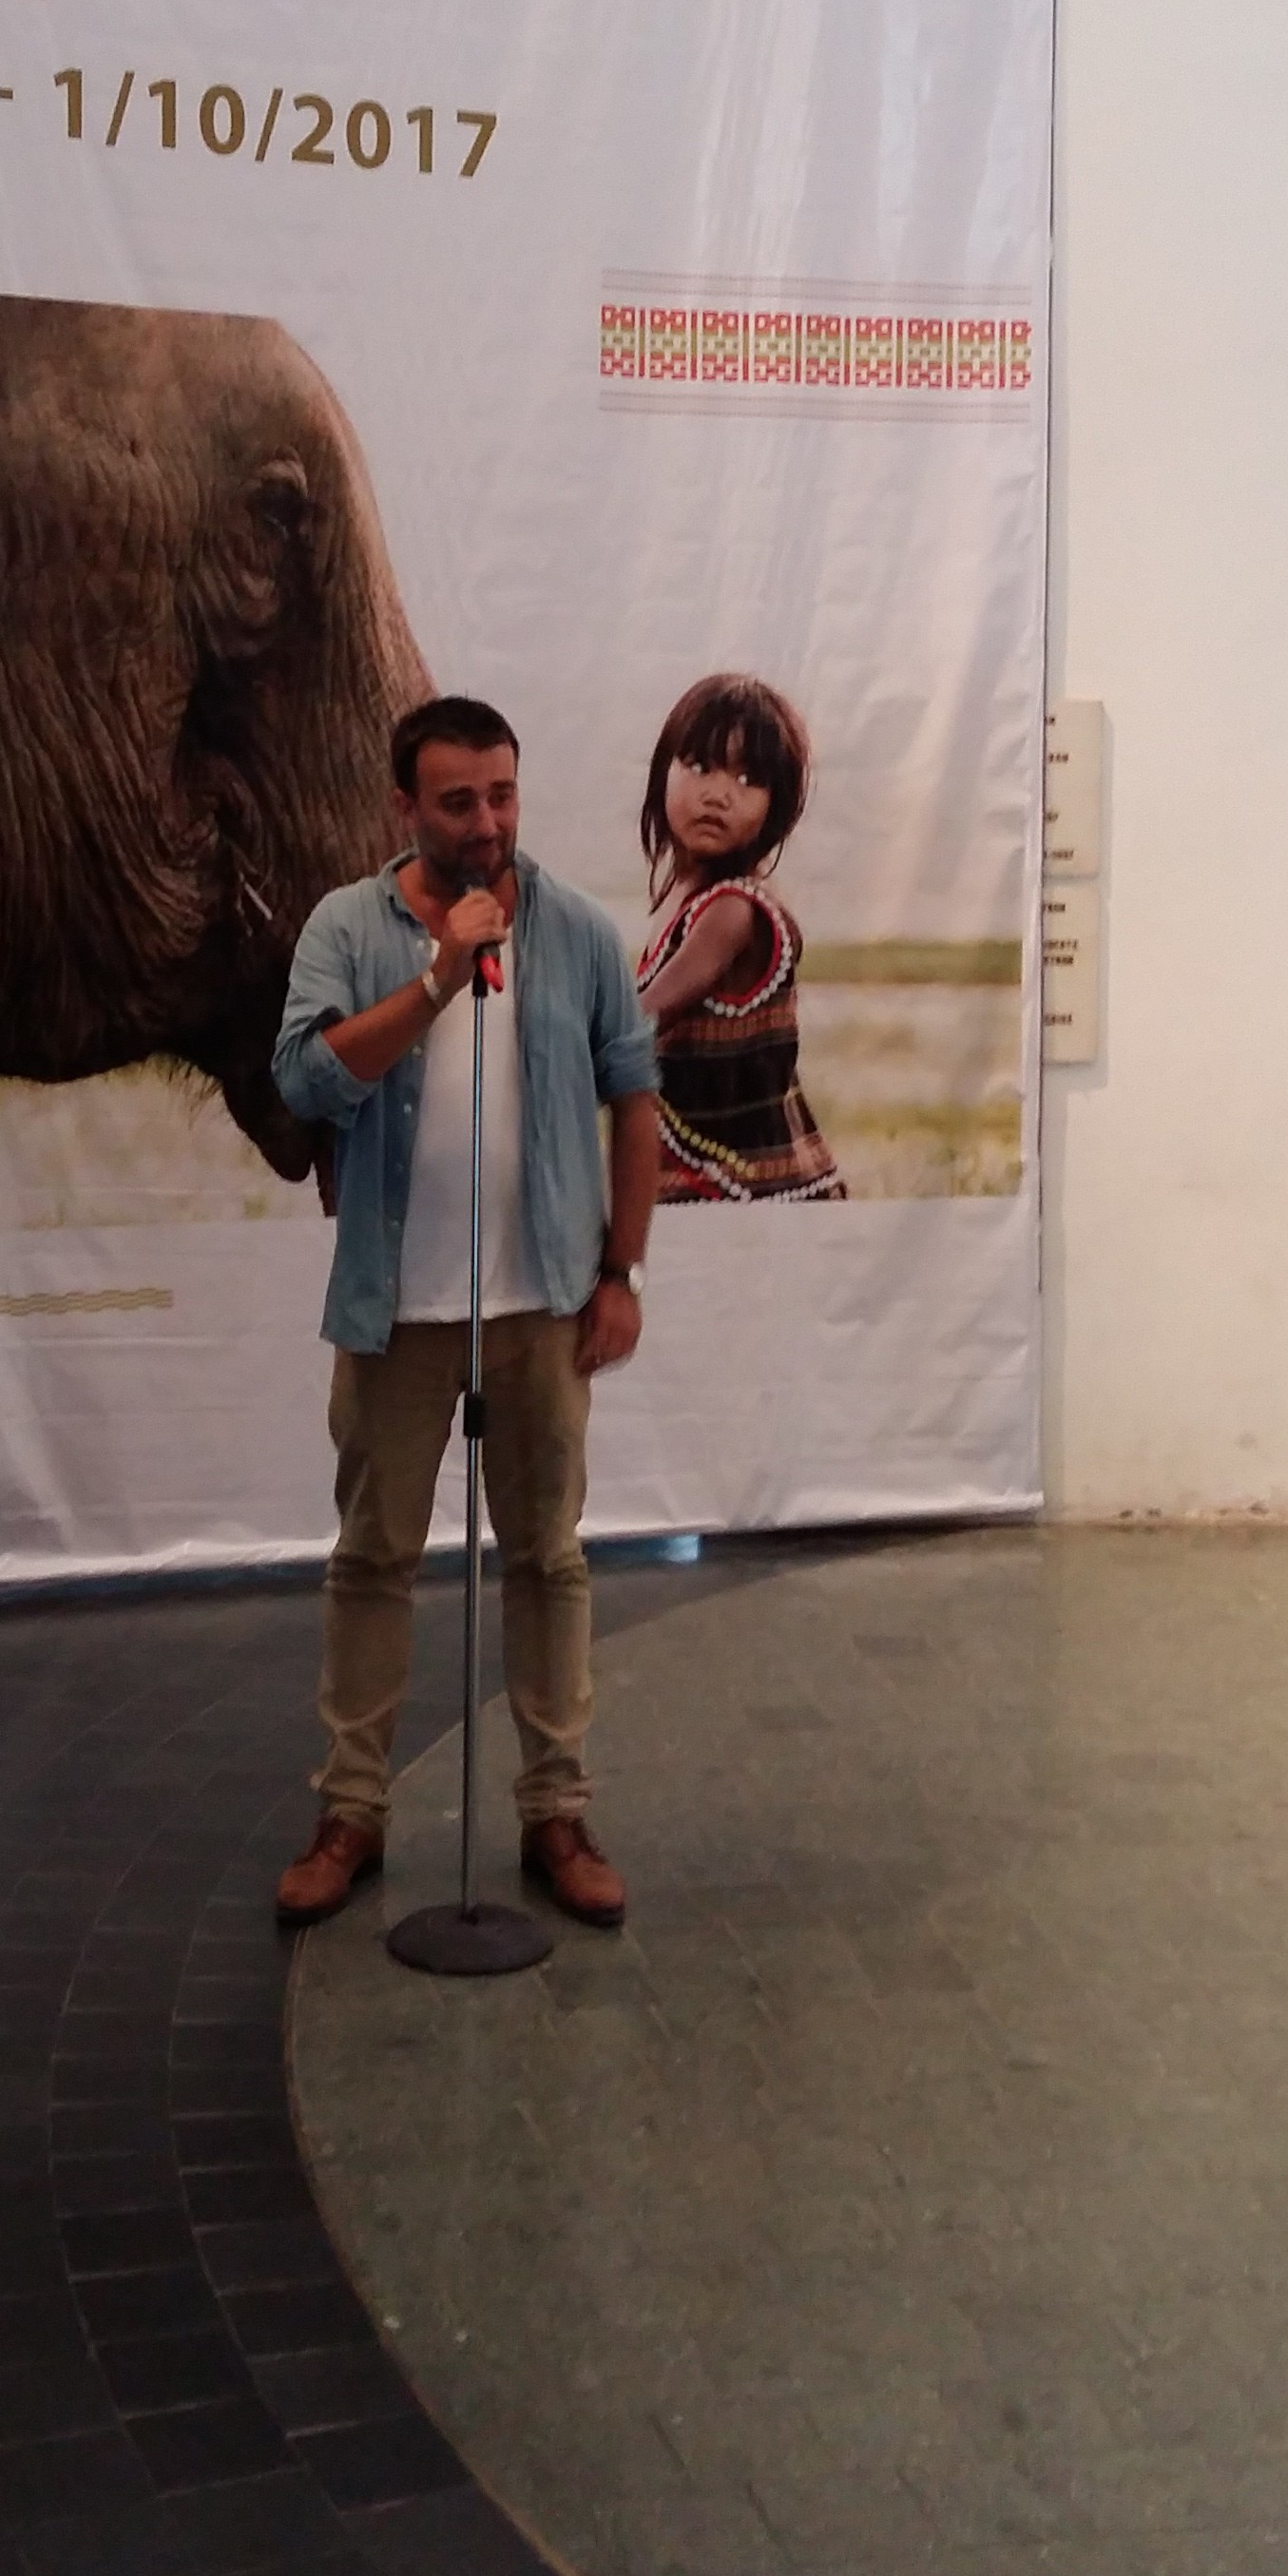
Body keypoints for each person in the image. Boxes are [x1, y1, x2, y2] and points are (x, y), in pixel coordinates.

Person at [270, 696, 659, 1931]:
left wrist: (622, 1271)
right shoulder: (348, 926)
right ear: (406, 806)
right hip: (397, 1305)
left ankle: (556, 1811)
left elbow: (634, 1095)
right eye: (457, 802)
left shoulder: (577, 929)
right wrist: (440, 976)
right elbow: (307, 1079)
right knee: (373, 1557)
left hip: (542, 1301)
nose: (486, 824)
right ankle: (351, 1812)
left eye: (502, 796)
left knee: (547, 1556)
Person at [635, 673, 843, 1204]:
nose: (718, 795)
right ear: (663, 771)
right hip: (708, 1185)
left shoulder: (733, 909)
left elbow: (642, 1020)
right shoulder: (684, 899)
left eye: (748, 779)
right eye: (699, 766)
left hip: (755, 1198)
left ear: (777, 805)